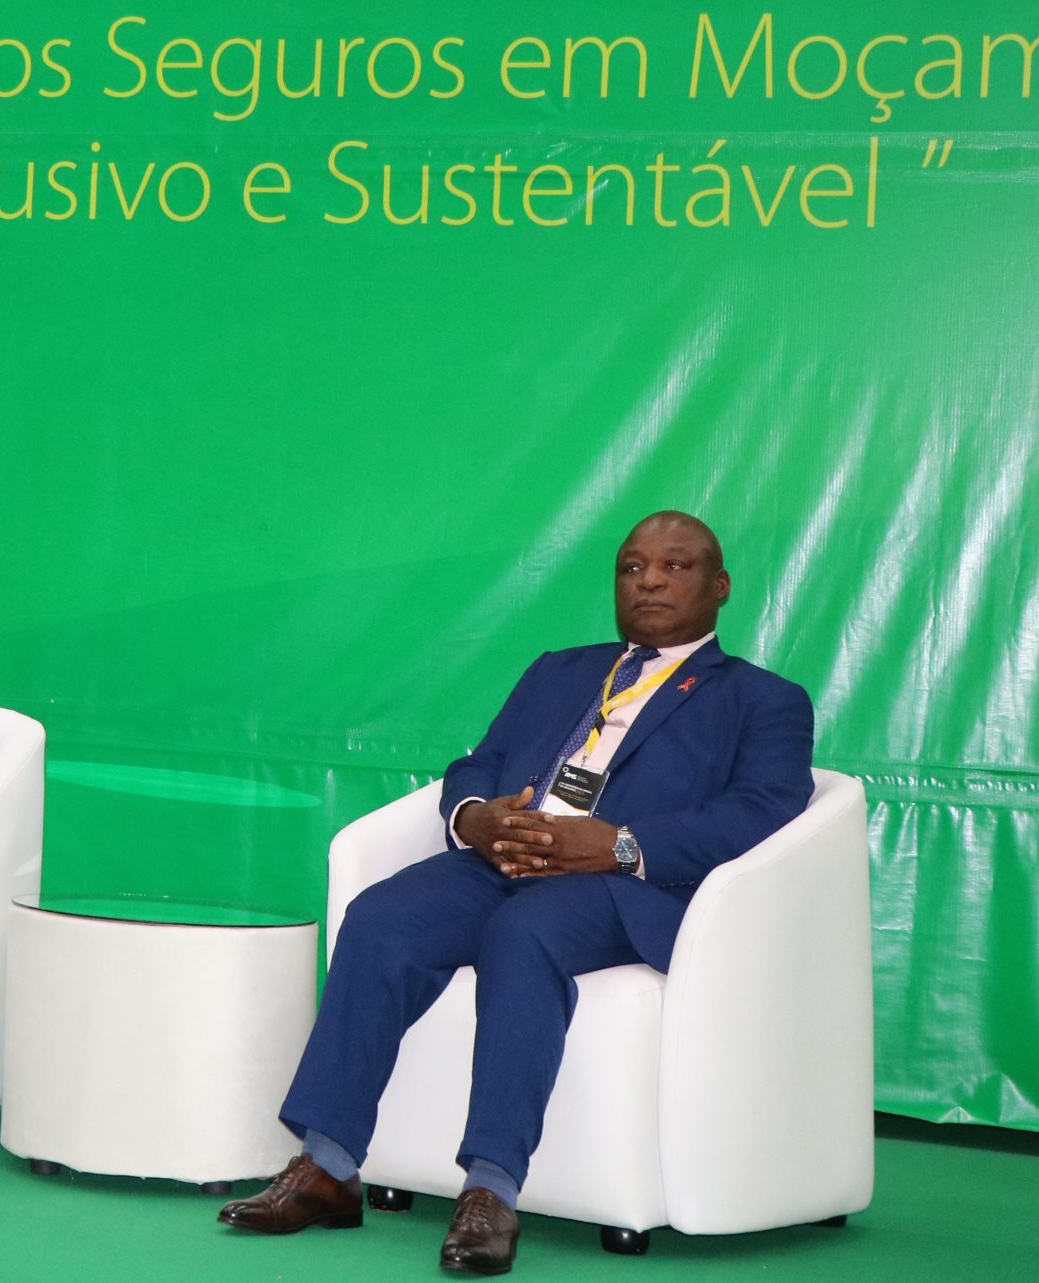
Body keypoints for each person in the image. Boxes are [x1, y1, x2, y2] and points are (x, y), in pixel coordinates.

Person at [218, 511, 815, 1276]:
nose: (650, 580)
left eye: (676, 566)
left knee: (525, 931)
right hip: (501, 863)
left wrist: (619, 844)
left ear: (720, 585)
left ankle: (491, 1189)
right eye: (632, 567)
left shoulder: (762, 699)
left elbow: (759, 813)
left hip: (623, 887)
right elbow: (479, 761)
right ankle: (328, 1165)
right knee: (382, 917)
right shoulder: (559, 670)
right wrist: (476, 819)